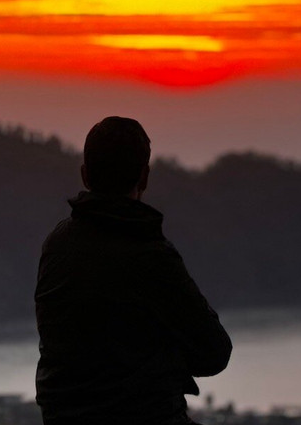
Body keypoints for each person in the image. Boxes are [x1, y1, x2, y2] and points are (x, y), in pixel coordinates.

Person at [35, 116, 232, 425]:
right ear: (144, 178)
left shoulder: (57, 246)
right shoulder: (150, 253)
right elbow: (214, 354)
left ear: (85, 175)